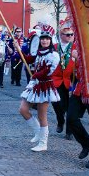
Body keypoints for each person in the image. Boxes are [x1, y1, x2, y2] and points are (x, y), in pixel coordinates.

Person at [19, 24, 60, 152]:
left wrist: (35, 75)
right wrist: (18, 50)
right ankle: (38, 132)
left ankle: (43, 143)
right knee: (23, 110)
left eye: (47, 38)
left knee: (42, 115)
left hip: (45, 86)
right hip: (35, 84)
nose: (44, 40)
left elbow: (47, 71)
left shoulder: (54, 55)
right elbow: (29, 59)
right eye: (42, 38)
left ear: (51, 40)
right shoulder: (39, 52)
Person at [51, 18, 75, 139]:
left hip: (70, 80)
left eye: (71, 34)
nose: (70, 36)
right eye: (67, 34)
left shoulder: (76, 48)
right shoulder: (55, 47)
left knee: (69, 107)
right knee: (56, 104)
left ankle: (69, 131)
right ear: (61, 35)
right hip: (56, 80)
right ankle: (60, 121)